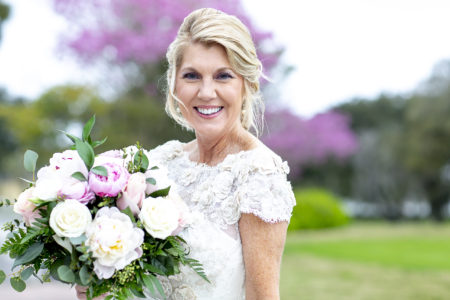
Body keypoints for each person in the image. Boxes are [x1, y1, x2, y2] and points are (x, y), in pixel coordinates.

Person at [77, 7, 295, 300]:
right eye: (192, 76)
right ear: (174, 83)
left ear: (247, 83)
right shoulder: (160, 163)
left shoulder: (258, 175)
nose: (206, 92)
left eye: (223, 76)